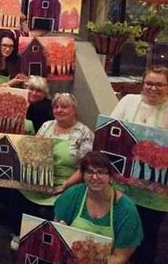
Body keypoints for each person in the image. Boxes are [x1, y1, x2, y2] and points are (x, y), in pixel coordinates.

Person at [110, 65, 168, 264]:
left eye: (160, 85)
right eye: (149, 83)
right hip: (122, 185)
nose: (153, 88)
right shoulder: (128, 101)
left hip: (154, 191)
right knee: (119, 229)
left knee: (147, 235)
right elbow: (112, 129)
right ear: (142, 84)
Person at [55, 151, 143, 264]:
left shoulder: (126, 209)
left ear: (110, 176)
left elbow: (120, 257)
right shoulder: (72, 195)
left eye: (101, 172)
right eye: (89, 172)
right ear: (83, 175)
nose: (95, 177)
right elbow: (57, 234)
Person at [21, 93, 94, 208]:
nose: (59, 110)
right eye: (56, 107)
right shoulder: (46, 126)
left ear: (74, 110)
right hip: (41, 182)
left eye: (64, 107)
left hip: (68, 185)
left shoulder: (84, 133)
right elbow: (34, 153)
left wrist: (66, 185)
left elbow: (85, 167)